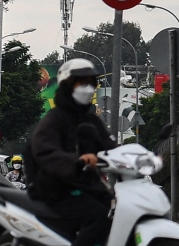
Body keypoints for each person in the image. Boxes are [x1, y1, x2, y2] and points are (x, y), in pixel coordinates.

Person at [28, 59, 115, 246]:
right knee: (99, 217)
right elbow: (46, 151)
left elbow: (110, 146)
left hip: (86, 185)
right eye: (82, 82)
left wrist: (143, 157)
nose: (88, 88)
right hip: (58, 189)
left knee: (119, 210)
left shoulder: (91, 119)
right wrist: (77, 161)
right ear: (67, 85)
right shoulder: (54, 119)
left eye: (92, 83)